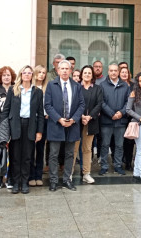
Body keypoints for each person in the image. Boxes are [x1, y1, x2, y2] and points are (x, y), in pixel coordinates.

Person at [1, 65, 44, 194]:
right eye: (24, 73)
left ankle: (24, 182)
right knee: (15, 156)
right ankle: (15, 182)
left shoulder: (37, 91)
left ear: (32, 75)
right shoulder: (13, 90)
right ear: (21, 75)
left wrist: (39, 131)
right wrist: (5, 129)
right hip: (15, 125)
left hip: (30, 126)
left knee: (27, 156)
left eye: (29, 73)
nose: (26, 75)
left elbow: (40, 114)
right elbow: (6, 111)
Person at [45, 60, 85, 191]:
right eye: (61, 68)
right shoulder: (51, 85)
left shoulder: (76, 86)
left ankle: (67, 180)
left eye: (67, 69)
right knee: (54, 154)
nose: (64, 71)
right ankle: (53, 181)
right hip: (56, 124)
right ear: (57, 70)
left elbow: (81, 105)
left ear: (71, 70)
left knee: (69, 154)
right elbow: (48, 105)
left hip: (72, 125)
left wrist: (73, 119)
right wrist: (59, 119)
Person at [98, 64, 130, 176]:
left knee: (119, 145)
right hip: (107, 121)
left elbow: (128, 102)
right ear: (108, 71)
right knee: (105, 144)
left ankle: (118, 165)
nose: (113, 73)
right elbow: (101, 102)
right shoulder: (102, 85)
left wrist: (121, 112)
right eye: (111, 70)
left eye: (115, 70)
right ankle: (104, 166)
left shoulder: (125, 86)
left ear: (118, 72)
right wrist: (111, 113)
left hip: (120, 121)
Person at [0, 66, 16, 189]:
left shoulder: (16, 89)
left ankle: (10, 178)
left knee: (12, 151)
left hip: (12, 124)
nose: (6, 77)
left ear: (12, 77)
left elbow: (17, 106)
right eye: (4, 75)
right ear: (1, 77)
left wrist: (5, 100)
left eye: (8, 75)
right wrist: (9, 102)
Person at [79, 65, 103, 184]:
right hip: (77, 122)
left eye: (89, 73)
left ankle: (86, 173)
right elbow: (74, 103)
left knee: (87, 149)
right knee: (73, 149)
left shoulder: (97, 89)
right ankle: (69, 174)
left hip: (91, 122)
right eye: (85, 73)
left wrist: (89, 117)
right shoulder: (77, 87)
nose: (87, 75)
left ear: (92, 75)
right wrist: (81, 116)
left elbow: (99, 104)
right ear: (81, 75)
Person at [30, 65, 48, 187]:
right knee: (30, 149)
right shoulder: (30, 88)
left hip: (44, 120)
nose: (41, 74)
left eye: (43, 72)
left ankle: (38, 175)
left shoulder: (48, 87)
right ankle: (31, 175)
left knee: (41, 149)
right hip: (32, 121)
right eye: (39, 72)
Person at [120, 66, 135, 171]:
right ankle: (120, 161)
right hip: (121, 117)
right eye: (122, 72)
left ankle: (129, 162)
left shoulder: (134, 85)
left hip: (132, 118)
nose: (124, 74)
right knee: (120, 141)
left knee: (130, 142)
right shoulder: (118, 85)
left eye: (126, 72)